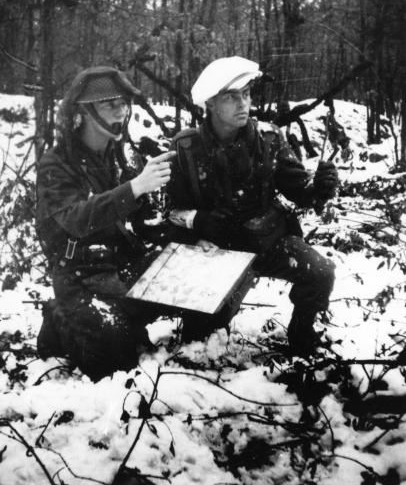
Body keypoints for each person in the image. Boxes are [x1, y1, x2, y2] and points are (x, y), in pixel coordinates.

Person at [167, 56, 339, 356]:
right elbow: (172, 212)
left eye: (246, 95)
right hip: (217, 250)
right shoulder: (187, 148)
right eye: (231, 98)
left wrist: (320, 187)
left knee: (320, 271)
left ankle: (302, 336)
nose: (242, 104)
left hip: (267, 240)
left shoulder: (269, 138)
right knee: (200, 337)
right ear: (210, 103)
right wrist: (200, 221)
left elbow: (300, 191)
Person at [36, 66, 175, 381]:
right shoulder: (56, 163)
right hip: (78, 275)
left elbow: (144, 222)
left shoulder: (119, 156)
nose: (120, 110)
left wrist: (178, 232)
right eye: (108, 103)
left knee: (192, 286)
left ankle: (119, 316)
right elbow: (75, 218)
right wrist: (135, 187)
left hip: (119, 265)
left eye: (123, 102)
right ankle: (61, 319)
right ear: (83, 112)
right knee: (117, 363)